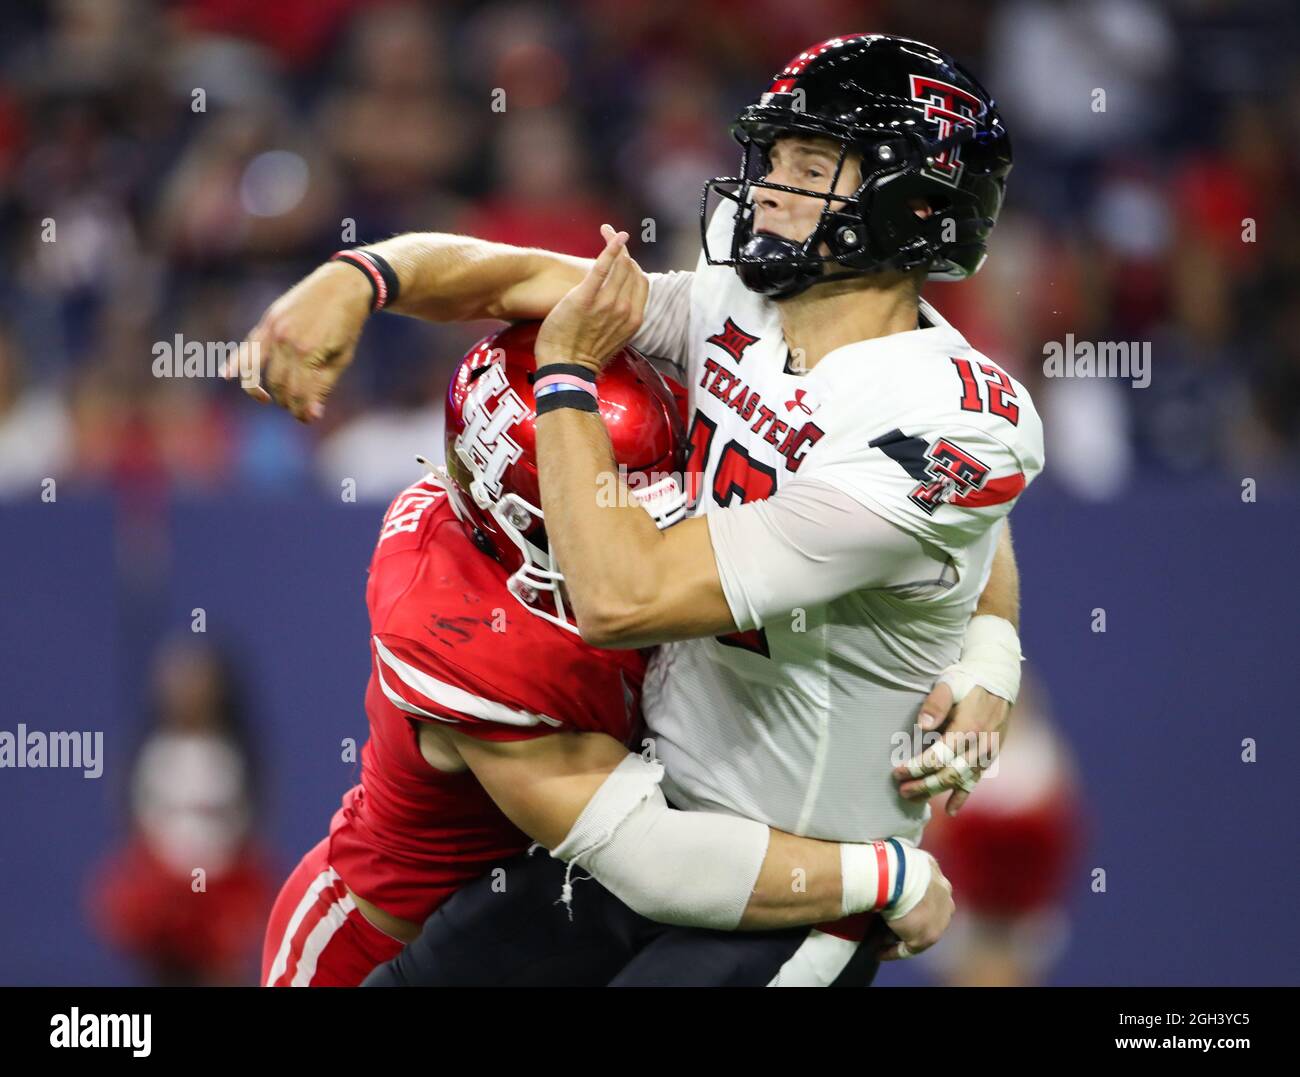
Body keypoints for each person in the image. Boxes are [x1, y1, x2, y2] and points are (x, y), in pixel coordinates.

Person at [243, 35, 1038, 986]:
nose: (770, 187)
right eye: (774, 157)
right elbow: (512, 278)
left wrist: (568, 374)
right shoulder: (743, 302)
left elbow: (625, 597)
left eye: (812, 165)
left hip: (796, 878)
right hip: (649, 818)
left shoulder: (956, 418)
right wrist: (361, 275)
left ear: (914, 203)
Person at [260, 322, 953, 988]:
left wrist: (988, 657)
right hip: (382, 947)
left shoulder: (539, 525)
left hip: (554, 915)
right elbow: (651, 856)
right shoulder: (464, 638)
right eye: (612, 512)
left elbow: (931, 508)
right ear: (524, 516)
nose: (655, 535)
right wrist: (885, 875)